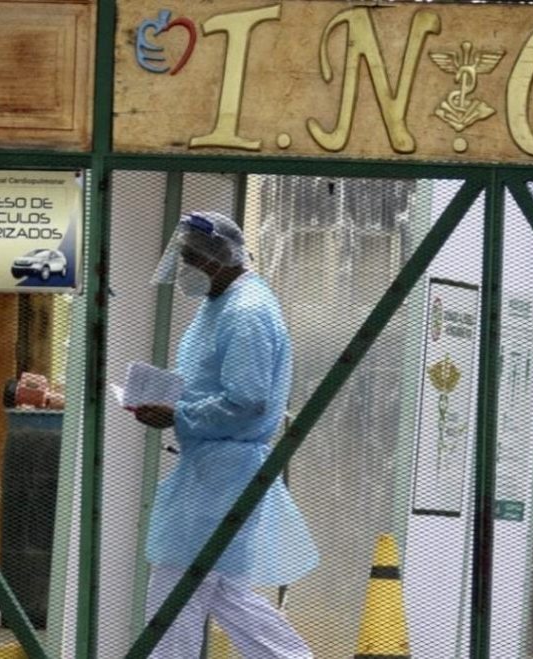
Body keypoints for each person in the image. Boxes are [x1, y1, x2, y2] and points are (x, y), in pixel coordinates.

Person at [134, 210, 317, 658]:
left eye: (189, 260)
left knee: (175, 590)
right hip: (213, 468)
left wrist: (180, 414)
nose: (185, 272)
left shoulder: (246, 312)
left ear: (216, 260)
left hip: (222, 472)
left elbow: (248, 400)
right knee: (223, 593)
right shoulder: (223, 304)